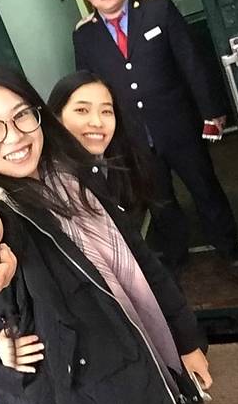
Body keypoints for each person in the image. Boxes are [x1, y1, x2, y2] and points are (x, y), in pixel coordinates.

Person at [0, 65, 212, 404]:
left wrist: (187, 341)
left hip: (149, 358)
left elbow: (142, 260)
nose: (14, 136)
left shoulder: (77, 176)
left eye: (21, 115)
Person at [68, 0, 238, 265]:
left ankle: (228, 248)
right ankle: (176, 256)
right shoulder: (84, 35)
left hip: (179, 125)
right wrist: (97, 138)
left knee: (205, 188)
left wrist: (212, 112)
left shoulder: (157, 9)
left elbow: (191, 63)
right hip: (133, 137)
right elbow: (88, 91)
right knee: (159, 200)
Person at [47, 70, 189, 269]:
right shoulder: (53, 184)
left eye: (106, 111)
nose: (97, 122)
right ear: (56, 117)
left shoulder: (114, 162)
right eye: (82, 110)